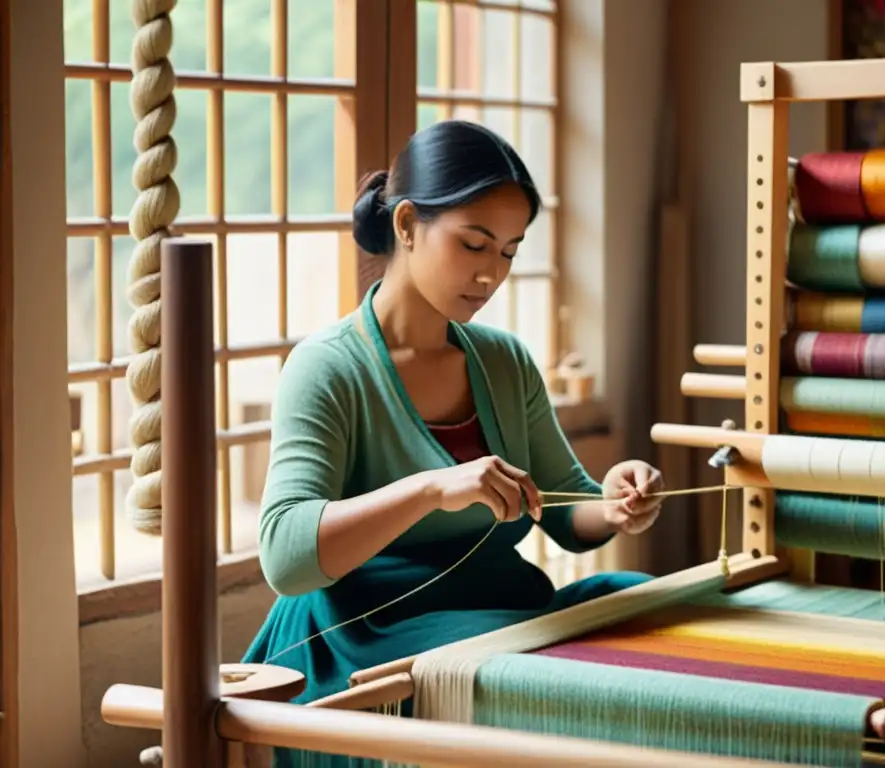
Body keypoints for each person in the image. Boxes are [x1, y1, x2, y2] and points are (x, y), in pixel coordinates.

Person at [242, 119, 664, 767]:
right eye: (474, 244)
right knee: (537, 668)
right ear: (407, 225)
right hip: (367, 635)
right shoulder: (326, 367)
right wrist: (433, 489)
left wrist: (613, 504)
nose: (492, 273)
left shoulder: (504, 360)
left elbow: (564, 509)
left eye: (509, 251)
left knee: (649, 602)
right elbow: (287, 557)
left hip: (497, 614)